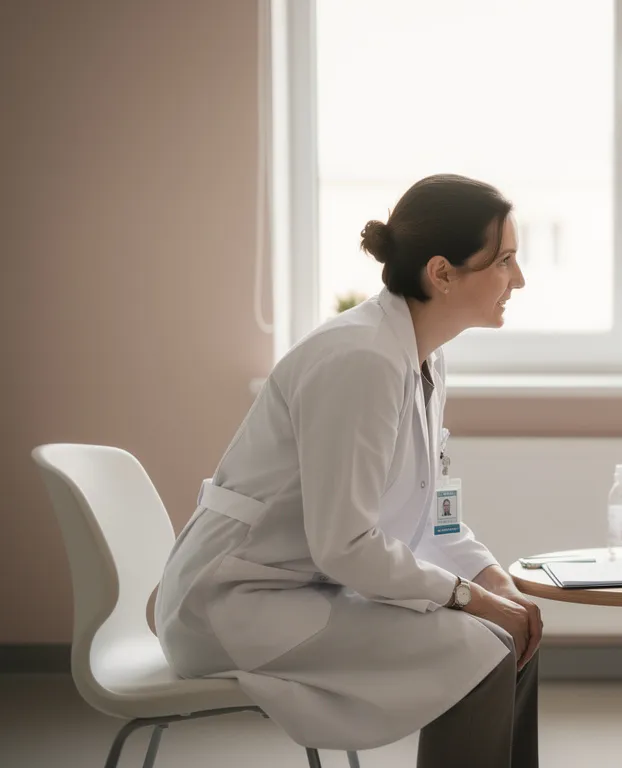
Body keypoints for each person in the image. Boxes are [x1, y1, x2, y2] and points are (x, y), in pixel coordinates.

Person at [155, 174, 539, 768]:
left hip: (301, 589)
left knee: (513, 635)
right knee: (482, 648)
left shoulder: (422, 357)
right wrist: (467, 599)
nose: (518, 280)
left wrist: (490, 579)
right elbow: (345, 545)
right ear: (442, 273)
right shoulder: (361, 361)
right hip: (234, 605)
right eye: (505, 260)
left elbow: (427, 514)